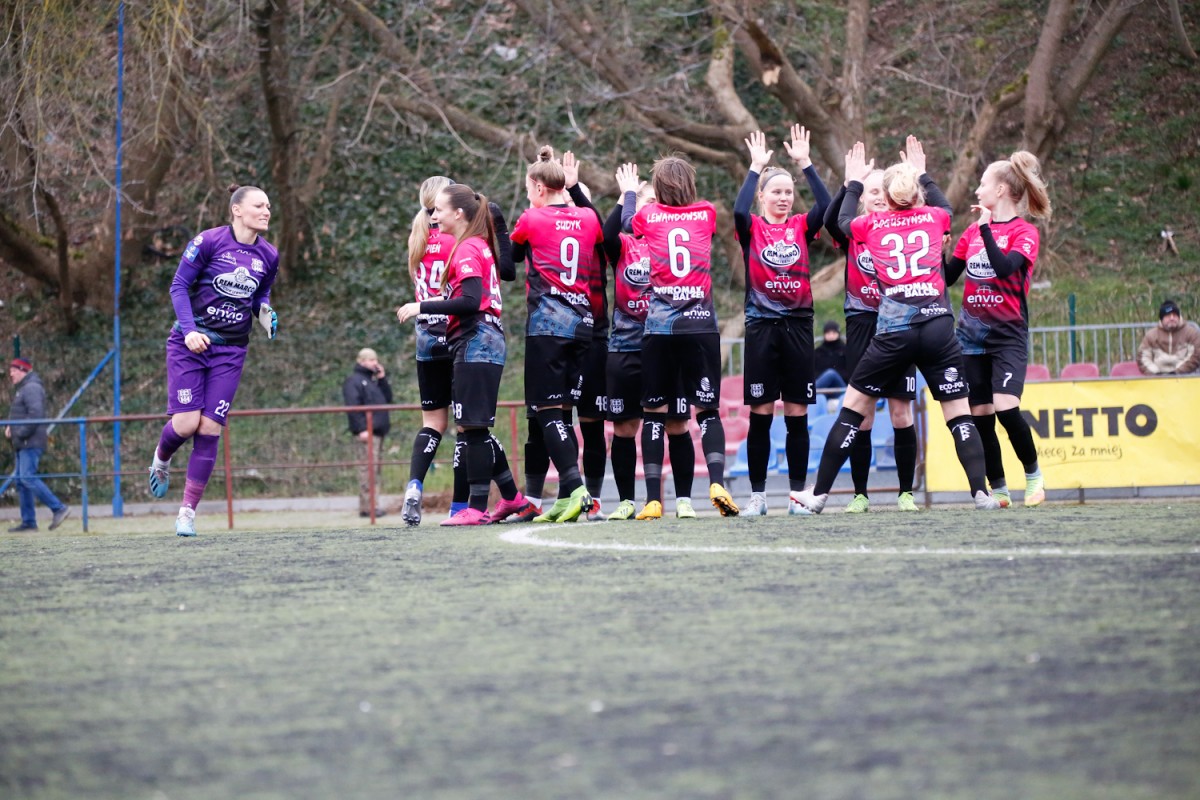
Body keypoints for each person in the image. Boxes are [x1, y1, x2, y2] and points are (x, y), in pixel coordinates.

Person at [793, 141, 1000, 514]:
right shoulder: (934, 217)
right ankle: (981, 494)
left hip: (894, 331)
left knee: (853, 409)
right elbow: (946, 207)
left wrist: (854, 183)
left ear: (886, 198)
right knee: (958, 413)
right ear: (917, 195)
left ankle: (819, 494)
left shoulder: (871, 223)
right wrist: (923, 173)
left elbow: (842, 221)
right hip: (937, 326)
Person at [148, 184, 280, 536]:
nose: (266, 211)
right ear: (237, 210)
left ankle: (187, 513)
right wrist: (190, 331)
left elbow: (260, 295)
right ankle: (161, 458)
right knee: (185, 424)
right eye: (259, 205)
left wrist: (265, 313)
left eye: (268, 206)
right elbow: (178, 286)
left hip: (231, 351)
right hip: (190, 345)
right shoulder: (208, 241)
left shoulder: (269, 254)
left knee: (209, 428)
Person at [397, 184, 530, 526]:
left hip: (475, 339)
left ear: (458, 213)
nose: (434, 217)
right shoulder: (474, 244)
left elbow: (471, 301)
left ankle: (475, 507)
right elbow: (500, 274)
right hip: (476, 339)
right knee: (473, 426)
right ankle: (508, 498)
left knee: (473, 427)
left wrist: (421, 306)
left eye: (439, 210)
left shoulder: (467, 247)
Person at [821, 137, 936, 514]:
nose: (878, 197)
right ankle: (860, 494)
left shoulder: (905, 226)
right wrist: (849, 183)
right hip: (862, 324)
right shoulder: (855, 229)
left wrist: (920, 176)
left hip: (900, 325)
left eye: (882, 191)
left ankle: (905, 492)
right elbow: (830, 221)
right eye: (870, 192)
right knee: (863, 414)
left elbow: (933, 220)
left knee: (901, 411)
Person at [621, 153, 740, 517]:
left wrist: (629, 192)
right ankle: (717, 482)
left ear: (658, 188)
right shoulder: (706, 213)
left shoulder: (649, 215)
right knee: (706, 410)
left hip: (660, 327)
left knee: (654, 413)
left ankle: (653, 500)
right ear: (690, 185)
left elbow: (627, 223)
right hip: (700, 325)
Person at [946, 150, 1053, 508]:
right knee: (980, 415)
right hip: (970, 337)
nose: (977, 191)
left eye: (983, 184)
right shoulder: (972, 232)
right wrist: (934, 250)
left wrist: (986, 229)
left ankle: (1034, 477)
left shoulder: (1025, 232)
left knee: (1007, 408)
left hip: (1007, 335)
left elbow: (1006, 268)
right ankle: (1000, 488)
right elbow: (947, 277)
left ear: (1002, 190)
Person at [734, 126, 831, 516]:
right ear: (762, 196)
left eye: (788, 192)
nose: (784, 197)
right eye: (776, 191)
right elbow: (738, 211)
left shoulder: (801, 226)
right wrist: (756, 168)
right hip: (761, 327)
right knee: (761, 413)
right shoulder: (752, 228)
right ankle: (757, 496)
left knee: (797, 413)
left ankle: (796, 496)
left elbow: (827, 206)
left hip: (798, 328)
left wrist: (805, 164)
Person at [509, 146, 605, 523]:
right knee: (564, 414)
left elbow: (512, 258)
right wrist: (571, 186)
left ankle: (578, 490)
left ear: (537, 187)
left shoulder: (531, 218)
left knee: (546, 412)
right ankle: (567, 498)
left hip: (547, 328)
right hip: (583, 326)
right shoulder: (587, 217)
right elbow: (596, 227)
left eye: (528, 187)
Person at [601, 164, 697, 520]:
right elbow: (606, 236)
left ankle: (683, 500)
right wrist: (626, 195)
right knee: (624, 427)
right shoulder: (625, 243)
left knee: (677, 424)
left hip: (668, 345)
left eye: (658, 201)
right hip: (626, 346)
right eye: (646, 202)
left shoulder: (673, 239)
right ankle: (627, 501)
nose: (652, 207)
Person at [5, 358, 71, 532]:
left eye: (13, 370)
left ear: (22, 370)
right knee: (21, 482)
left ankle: (58, 508)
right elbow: (24, 414)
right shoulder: (25, 388)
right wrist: (12, 427)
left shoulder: (31, 388)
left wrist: (20, 432)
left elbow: (35, 414)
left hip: (29, 441)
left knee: (27, 477)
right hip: (23, 442)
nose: (10, 374)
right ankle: (29, 522)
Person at [343, 347, 392, 518]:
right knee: (367, 470)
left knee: (375, 470)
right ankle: (368, 507)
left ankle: (372, 506)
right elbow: (353, 407)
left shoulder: (373, 382)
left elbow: (388, 399)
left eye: (375, 360)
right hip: (367, 433)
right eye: (371, 360)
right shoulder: (354, 381)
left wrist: (382, 379)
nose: (375, 363)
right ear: (362, 361)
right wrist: (361, 429)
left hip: (378, 432)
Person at [1138, 299, 1200, 376]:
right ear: (1161, 319)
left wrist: (1176, 373)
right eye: (1168, 315)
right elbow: (1143, 358)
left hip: (1184, 376)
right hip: (1156, 377)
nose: (1172, 318)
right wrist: (1156, 374)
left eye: (1175, 315)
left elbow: (1196, 356)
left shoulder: (1191, 333)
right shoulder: (1151, 335)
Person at [813, 321, 849, 406]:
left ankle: (806, 394)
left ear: (838, 333)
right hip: (823, 389)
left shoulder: (846, 351)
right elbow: (813, 372)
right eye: (828, 332)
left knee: (831, 373)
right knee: (820, 395)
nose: (831, 335)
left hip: (841, 388)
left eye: (834, 332)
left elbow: (850, 372)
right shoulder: (818, 352)